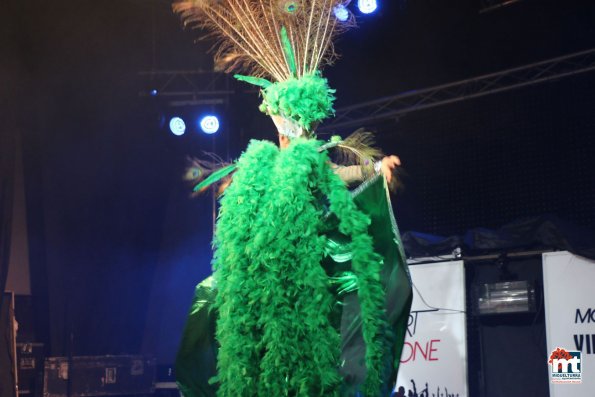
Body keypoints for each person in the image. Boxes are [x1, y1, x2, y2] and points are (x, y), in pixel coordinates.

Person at [172, 1, 413, 396]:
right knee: (220, 308)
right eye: (280, 124)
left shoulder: (310, 160)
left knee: (308, 349)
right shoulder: (259, 167)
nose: (284, 131)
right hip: (261, 276)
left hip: (306, 271)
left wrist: (375, 169)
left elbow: (338, 173)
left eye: (287, 124)